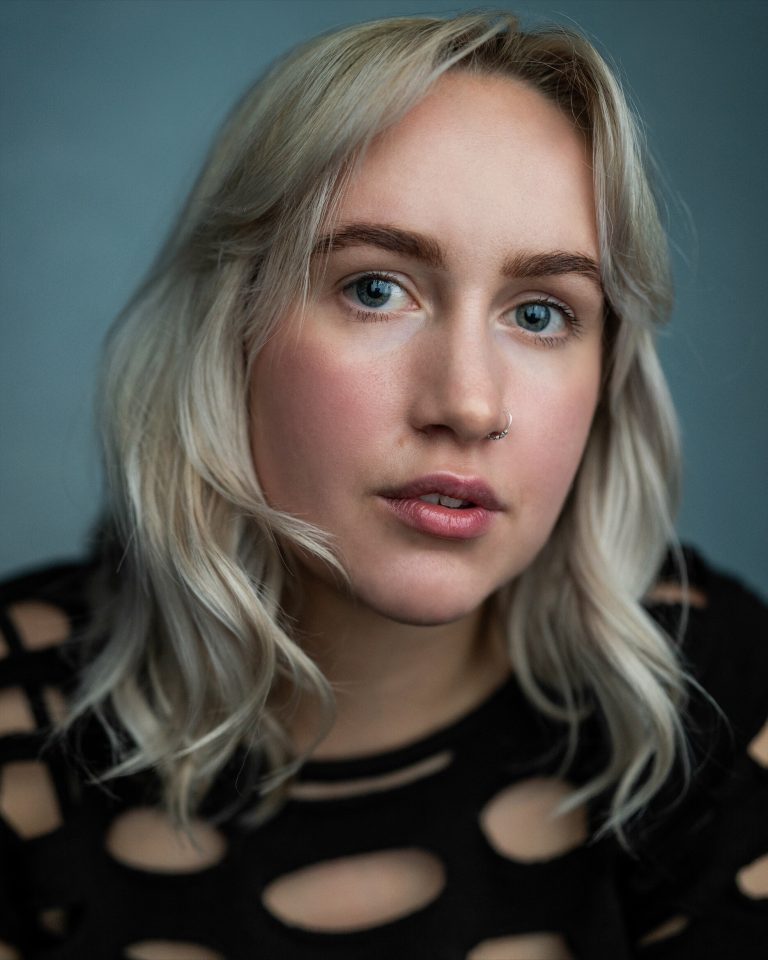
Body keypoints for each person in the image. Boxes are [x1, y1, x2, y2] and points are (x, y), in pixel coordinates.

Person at [1, 11, 766, 959]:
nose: (470, 402)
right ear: (229, 327)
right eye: (376, 289)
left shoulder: (729, 708)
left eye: (540, 312)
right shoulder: (16, 726)